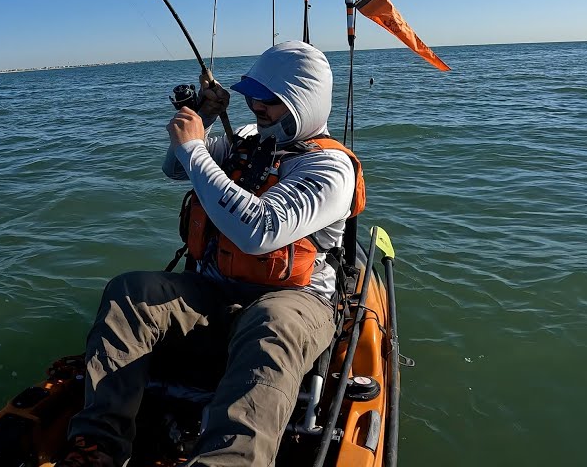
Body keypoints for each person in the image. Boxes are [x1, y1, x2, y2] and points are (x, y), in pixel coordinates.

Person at [59, 40, 366, 467]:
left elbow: (259, 232)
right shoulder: (244, 138)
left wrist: (194, 149)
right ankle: (97, 446)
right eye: (252, 95)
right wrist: (201, 121)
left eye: (270, 99)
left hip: (296, 298)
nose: (256, 105)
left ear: (303, 102)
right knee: (129, 291)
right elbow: (174, 169)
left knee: (271, 323)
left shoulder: (330, 169)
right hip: (215, 288)